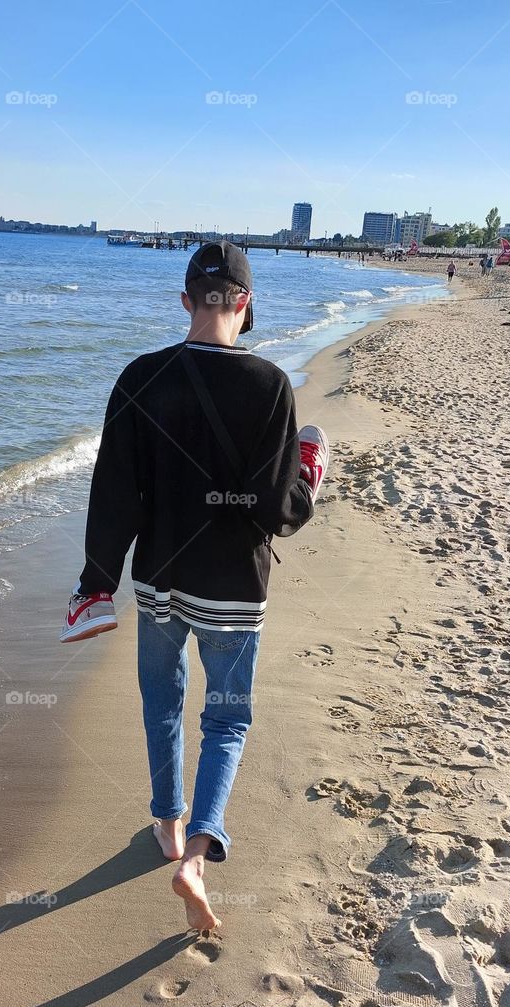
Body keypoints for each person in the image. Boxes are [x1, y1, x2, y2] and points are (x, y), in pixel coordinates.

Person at [60, 242, 328, 933]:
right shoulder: (271, 385)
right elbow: (280, 512)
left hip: (158, 581)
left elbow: (113, 494)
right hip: (235, 584)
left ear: (186, 301)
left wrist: (96, 581)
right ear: (244, 303)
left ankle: (168, 827)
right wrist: (312, 472)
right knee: (228, 718)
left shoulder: (139, 377)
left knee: (163, 702)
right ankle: (199, 855)